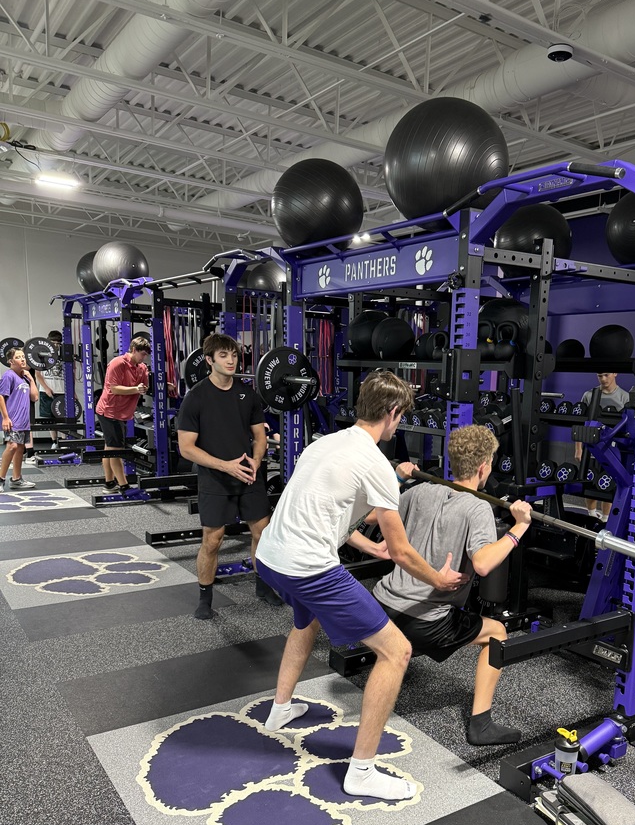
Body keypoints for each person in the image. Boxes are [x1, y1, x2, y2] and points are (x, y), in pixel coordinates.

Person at [255, 369, 468, 801]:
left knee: (306, 622)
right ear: (393, 413)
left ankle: (280, 709)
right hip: (308, 567)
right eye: (400, 416)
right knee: (396, 651)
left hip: (270, 558)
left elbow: (329, 511)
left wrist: (369, 550)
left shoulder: (326, 444)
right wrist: (440, 580)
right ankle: (363, 771)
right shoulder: (376, 464)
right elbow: (404, 553)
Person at [367, 425, 531, 746]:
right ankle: (480, 724)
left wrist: (399, 479)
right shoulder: (477, 506)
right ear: (484, 467)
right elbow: (483, 563)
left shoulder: (419, 490)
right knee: (497, 632)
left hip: (381, 607)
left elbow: (373, 516)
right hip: (424, 621)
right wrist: (519, 527)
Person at [177, 333, 282, 619]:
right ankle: (205, 596)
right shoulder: (196, 397)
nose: (231, 360)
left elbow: (260, 437)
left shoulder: (247, 394)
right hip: (216, 478)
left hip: (248, 474)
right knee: (213, 539)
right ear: (209, 360)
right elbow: (186, 448)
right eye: (223, 356)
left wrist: (257, 461)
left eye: (234, 355)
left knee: (263, 532)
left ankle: (264, 586)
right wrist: (225, 466)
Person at [95, 336, 150, 494]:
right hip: (109, 411)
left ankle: (109, 484)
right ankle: (124, 486)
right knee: (115, 449)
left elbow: (146, 385)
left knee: (110, 447)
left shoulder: (141, 367)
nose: (144, 357)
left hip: (123, 413)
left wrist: (165, 385)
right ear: (133, 350)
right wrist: (136, 389)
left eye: (146, 355)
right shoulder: (117, 363)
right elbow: (114, 388)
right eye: (142, 354)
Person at [574, 371, 631, 521]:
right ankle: (591, 515)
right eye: (600, 376)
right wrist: (578, 449)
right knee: (591, 484)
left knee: (608, 485)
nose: (603, 379)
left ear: (615, 373)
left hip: (613, 451)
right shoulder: (589, 395)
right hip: (592, 449)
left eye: (606, 375)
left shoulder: (625, 398)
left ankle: (605, 519)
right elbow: (581, 424)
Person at [0, 346, 39, 491]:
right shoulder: (8, 376)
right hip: (12, 419)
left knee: (20, 448)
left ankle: (16, 479)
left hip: (24, 420)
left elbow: (34, 397)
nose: (22, 359)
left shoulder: (24, 377)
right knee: (12, 446)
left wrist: (31, 379)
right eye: (18, 357)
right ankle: (1, 479)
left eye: (23, 356)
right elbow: (1, 397)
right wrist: (5, 418)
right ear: (11, 361)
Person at [35, 330, 67, 450]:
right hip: (46, 391)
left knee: (63, 419)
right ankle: (54, 441)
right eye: (53, 343)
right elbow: (38, 374)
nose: (55, 345)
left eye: (58, 343)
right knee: (50, 419)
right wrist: (47, 388)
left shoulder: (64, 356)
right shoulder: (41, 356)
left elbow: (71, 374)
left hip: (62, 391)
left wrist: (72, 391)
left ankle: (63, 443)